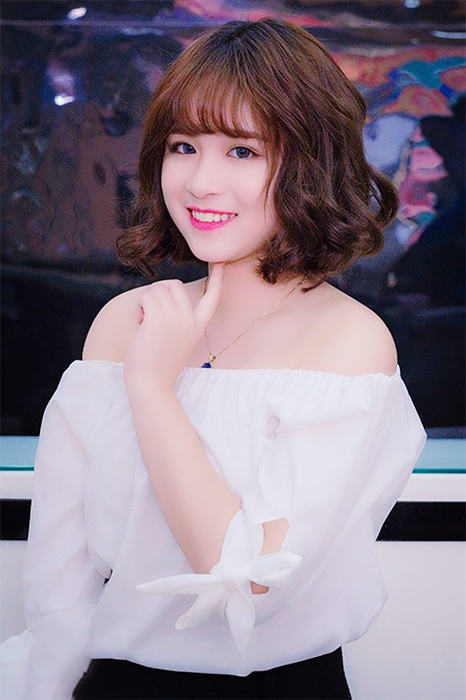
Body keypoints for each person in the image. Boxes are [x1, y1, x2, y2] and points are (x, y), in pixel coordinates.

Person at [0, 18, 427, 700]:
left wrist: (152, 386)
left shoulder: (349, 341)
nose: (201, 181)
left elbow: (248, 580)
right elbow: (61, 572)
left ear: (312, 163)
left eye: (242, 151)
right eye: (183, 146)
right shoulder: (125, 322)